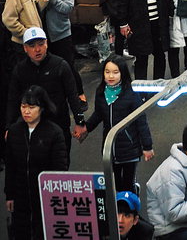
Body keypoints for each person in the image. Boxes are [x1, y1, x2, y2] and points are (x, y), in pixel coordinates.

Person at [6, 27, 85, 165]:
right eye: (32, 46)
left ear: (47, 43)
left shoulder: (60, 65)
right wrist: (9, 126)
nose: (37, 49)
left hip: (59, 125)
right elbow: (12, 100)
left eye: (41, 44)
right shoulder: (20, 70)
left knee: (60, 168)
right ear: (25, 48)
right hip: (31, 128)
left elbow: (72, 95)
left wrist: (80, 122)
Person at [76, 54, 154, 192]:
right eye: (107, 72)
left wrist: (147, 146)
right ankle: (119, 212)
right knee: (115, 184)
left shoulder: (131, 93)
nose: (111, 76)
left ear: (122, 73)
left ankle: (130, 212)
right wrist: (86, 128)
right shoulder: (101, 93)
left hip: (130, 150)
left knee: (128, 185)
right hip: (110, 149)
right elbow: (99, 114)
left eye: (115, 72)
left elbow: (141, 121)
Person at [5, 85, 67, 240]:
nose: (26, 111)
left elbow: (60, 168)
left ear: (42, 108)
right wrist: (9, 195)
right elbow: (10, 167)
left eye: (31, 107)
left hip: (45, 197)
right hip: (21, 195)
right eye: (23, 106)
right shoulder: (14, 131)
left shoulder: (54, 132)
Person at [37, 0, 85, 108]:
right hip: (43, 35)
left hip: (61, 34)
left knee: (68, 65)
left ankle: (80, 94)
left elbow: (67, 9)